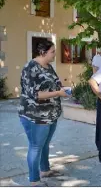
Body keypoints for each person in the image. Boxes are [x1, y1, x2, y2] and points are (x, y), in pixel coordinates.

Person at [19, 40, 69, 186]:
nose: (54, 54)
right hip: (35, 115)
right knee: (36, 146)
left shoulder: (49, 67)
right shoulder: (30, 68)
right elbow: (35, 94)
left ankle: (45, 170)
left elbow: (56, 84)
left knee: (45, 144)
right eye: (52, 51)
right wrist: (58, 93)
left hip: (50, 114)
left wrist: (62, 89)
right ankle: (34, 180)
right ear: (42, 52)